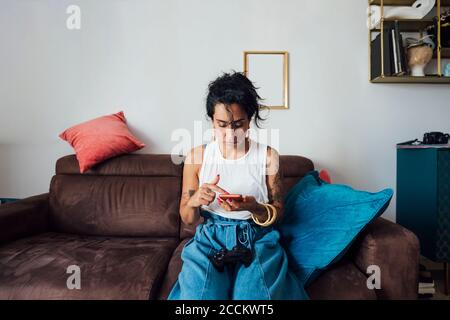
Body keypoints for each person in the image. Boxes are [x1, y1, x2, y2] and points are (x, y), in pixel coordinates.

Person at [168, 71, 306, 300]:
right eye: (222, 125)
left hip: (256, 237)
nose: (230, 133)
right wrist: (194, 200)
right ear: (211, 120)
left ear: (250, 119)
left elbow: (279, 213)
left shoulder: (269, 157)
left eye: (238, 124)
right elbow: (188, 218)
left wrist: (253, 208)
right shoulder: (197, 158)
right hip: (210, 239)